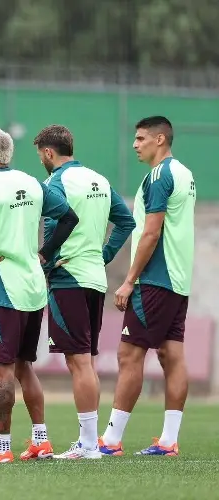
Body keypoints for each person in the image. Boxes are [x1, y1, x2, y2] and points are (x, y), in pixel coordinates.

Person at [0, 128, 79, 463]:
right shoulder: (32, 182)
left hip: (4, 288)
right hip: (33, 286)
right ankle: (41, 440)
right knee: (24, 366)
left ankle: (1, 448)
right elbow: (69, 217)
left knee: (1, 371)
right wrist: (45, 254)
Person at [32, 125, 135, 459]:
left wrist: (44, 263)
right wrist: (103, 256)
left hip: (69, 278)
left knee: (78, 364)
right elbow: (126, 222)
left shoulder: (55, 183)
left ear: (48, 152)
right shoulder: (100, 180)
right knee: (86, 363)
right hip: (94, 279)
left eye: (40, 155)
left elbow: (56, 224)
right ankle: (88, 441)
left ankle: (89, 445)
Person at [99, 116, 195, 457]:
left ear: (159, 139)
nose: (135, 144)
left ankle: (110, 441)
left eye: (141, 138)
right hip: (179, 279)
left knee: (129, 354)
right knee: (172, 356)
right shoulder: (184, 173)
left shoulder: (159, 176)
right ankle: (168, 441)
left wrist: (128, 281)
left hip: (156, 278)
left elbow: (152, 232)